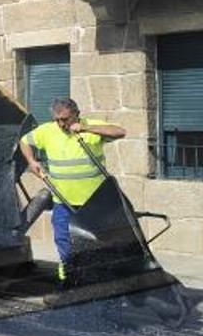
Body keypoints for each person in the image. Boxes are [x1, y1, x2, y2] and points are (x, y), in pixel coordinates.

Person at [18, 98, 127, 284]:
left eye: (66, 119)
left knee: (97, 243)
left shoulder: (91, 126)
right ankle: (68, 280)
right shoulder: (47, 130)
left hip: (94, 202)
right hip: (63, 201)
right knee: (64, 242)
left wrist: (86, 129)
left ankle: (100, 281)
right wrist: (32, 161)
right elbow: (24, 141)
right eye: (57, 119)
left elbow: (120, 132)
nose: (61, 124)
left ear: (77, 114)